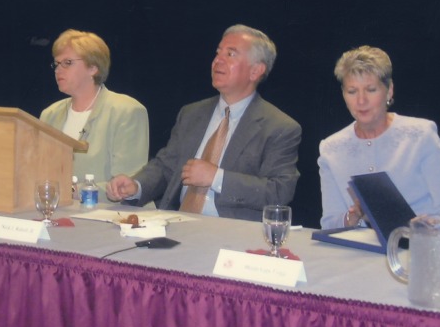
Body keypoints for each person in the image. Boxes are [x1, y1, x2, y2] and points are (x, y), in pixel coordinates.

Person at [106, 24, 301, 220]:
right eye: (218, 53)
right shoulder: (192, 113)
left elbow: (279, 191)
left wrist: (216, 178)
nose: (218, 60)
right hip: (177, 223)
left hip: (232, 232)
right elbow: (166, 166)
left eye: (231, 54)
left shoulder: (279, 127)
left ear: (256, 71)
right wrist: (136, 186)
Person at [318, 45, 440, 229]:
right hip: (359, 254)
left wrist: (424, 229)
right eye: (352, 91)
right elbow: (330, 224)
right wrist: (352, 217)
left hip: (421, 247)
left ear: (389, 91)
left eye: (371, 90)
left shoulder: (421, 134)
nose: (361, 100)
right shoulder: (331, 148)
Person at [40, 29, 149, 194]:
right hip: (59, 212)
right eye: (56, 63)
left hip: (111, 215)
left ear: (93, 68)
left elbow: (124, 184)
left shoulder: (127, 111)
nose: (58, 70)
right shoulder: (49, 114)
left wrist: (69, 192)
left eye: (67, 63)